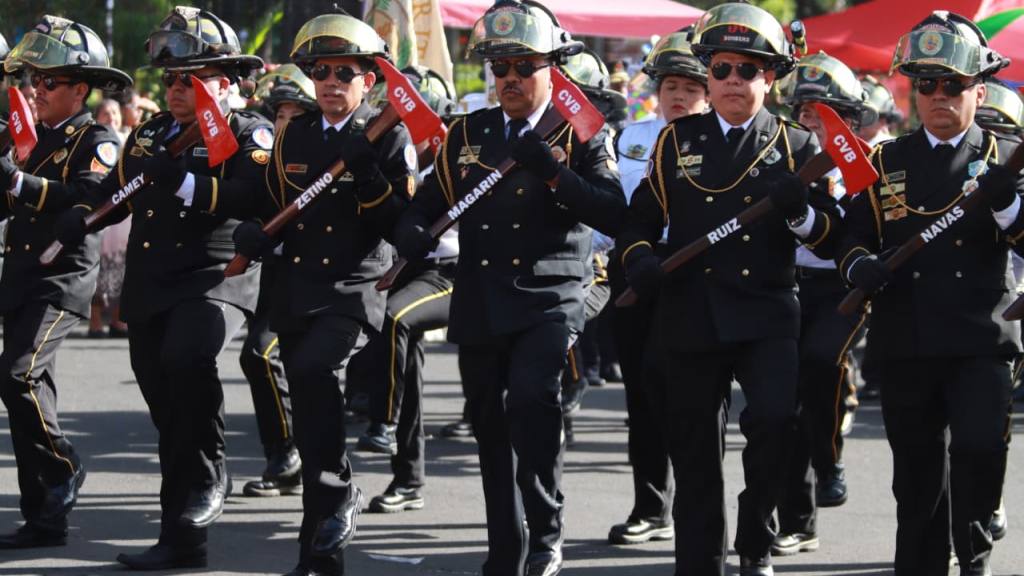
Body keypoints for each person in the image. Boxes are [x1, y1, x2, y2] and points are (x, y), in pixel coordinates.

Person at [392, 1, 624, 574]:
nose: (511, 79)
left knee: (531, 402)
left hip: (551, 295)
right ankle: (506, 543)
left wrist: (553, 172)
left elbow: (614, 211)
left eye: (524, 65)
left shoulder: (584, 128)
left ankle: (546, 530)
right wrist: (411, 230)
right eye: (499, 68)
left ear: (552, 68)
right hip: (481, 295)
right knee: (488, 421)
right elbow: (426, 204)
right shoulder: (469, 132)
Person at [617, 3, 840, 574]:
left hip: (766, 313)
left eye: (749, 69)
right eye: (721, 69)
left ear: (770, 78)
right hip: (690, 315)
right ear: (707, 77)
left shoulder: (798, 147)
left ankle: (755, 533)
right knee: (694, 453)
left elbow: (831, 238)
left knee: (772, 425)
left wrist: (798, 216)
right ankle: (699, 561)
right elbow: (638, 222)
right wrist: (640, 258)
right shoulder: (675, 142)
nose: (733, 81)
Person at [53, 6, 268, 569]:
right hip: (152, 284)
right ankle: (182, 538)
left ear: (225, 82)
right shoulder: (150, 134)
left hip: (213, 278)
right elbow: (113, 188)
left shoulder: (250, 132)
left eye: (189, 80)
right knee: (167, 409)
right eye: (170, 80)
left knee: (187, 359)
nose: (176, 90)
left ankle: (212, 471)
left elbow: (253, 198)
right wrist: (82, 213)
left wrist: (190, 184)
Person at [229, 11, 415, 575]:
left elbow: (399, 225)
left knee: (311, 370)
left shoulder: (390, 134)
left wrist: (366, 175)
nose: (331, 82)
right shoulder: (294, 133)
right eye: (321, 72)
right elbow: (268, 202)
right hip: (299, 284)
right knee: (311, 411)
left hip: (355, 287)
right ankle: (318, 554)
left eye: (344, 72)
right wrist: (252, 231)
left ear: (368, 79)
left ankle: (338, 493)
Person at [837, 11, 1020, 575]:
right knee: (915, 476)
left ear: (978, 90)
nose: (939, 96)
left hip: (981, 336)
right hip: (908, 335)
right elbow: (852, 234)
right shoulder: (887, 158)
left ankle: (974, 556)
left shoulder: (1006, 157)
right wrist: (859, 264)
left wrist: (1007, 203)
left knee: (979, 452)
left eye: (953, 85)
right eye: (926, 84)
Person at [0, 15, 129, 549]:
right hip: (21, 274)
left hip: (63, 277)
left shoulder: (95, 138)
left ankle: (65, 466)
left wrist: (19, 180)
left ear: (80, 88)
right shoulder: (23, 136)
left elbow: (88, 197)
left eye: (49, 80)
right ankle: (45, 516)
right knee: (31, 391)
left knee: (18, 375)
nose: (37, 88)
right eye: (33, 79)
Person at [604, 27, 709, 547]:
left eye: (691, 86)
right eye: (671, 84)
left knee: (691, 397)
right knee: (641, 394)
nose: (679, 95)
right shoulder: (630, 137)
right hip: (636, 267)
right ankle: (650, 506)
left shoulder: (721, 141)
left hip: (698, 272)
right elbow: (615, 212)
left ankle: (698, 508)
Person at [772, 51, 875, 557]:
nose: (810, 121)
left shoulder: (868, 162)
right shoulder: (779, 154)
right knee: (784, 406)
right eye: (804, 112)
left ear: (849, 117)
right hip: (785, 287)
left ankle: (830, 458)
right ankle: (797, 518)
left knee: (822, 362)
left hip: (841, 289)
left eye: (823, 112)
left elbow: (856, 231)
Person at [349, 65, 459, 516]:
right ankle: (408, 476)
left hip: (455, 271)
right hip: (408, 268)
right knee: (402, 356)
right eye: (400, 117)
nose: (407, 125)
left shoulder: (460, 157)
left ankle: (384, 423)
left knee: (395, 317)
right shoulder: (392, 154)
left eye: (416, 116)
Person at [238, 64, 319, 499]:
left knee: (266, 356)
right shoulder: (265, 159)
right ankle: (285, 455)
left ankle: (301, 457)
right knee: (260, 357)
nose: (284, 123)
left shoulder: (323, 155)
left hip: (320, 282)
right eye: (279, 114)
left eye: (294, 115)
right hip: (272, 279)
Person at [975, 75, 1024, 545]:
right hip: (971, 309)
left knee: (992, 425)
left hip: (1013, 313)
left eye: (1005, 133)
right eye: (987, 132)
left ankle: (987, 499)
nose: (996, 143)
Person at [89, 98, 130, 339]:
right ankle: (95, 322)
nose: (111, 117)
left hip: (123, 219)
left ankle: (117, 320)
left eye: (115, 112)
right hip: (100, 213)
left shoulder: (130, 140)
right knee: (99, 269)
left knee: (121, 268)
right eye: (106, 113)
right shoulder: (95, 141)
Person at [857, 76, 903, 147]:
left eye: (868, 115)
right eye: (855, 112)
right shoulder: (840, 142)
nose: (858, 120)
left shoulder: (893, 148)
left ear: (883, 121)